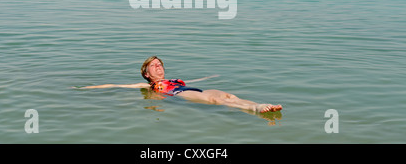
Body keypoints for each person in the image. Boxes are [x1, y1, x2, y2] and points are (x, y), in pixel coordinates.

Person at [79, 56, 282, 114]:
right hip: (178, 94)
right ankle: (256, 109)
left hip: (192, 89)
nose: (159, 67)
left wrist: (208, 78)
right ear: (146, 74)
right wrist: (88, 88)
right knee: (215, 100)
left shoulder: (174, 79)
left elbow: (193, 82)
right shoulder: (150, 86)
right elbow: (115, 85)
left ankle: (258, 104)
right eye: (154, 66)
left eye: (160, 65)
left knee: (228, 96)